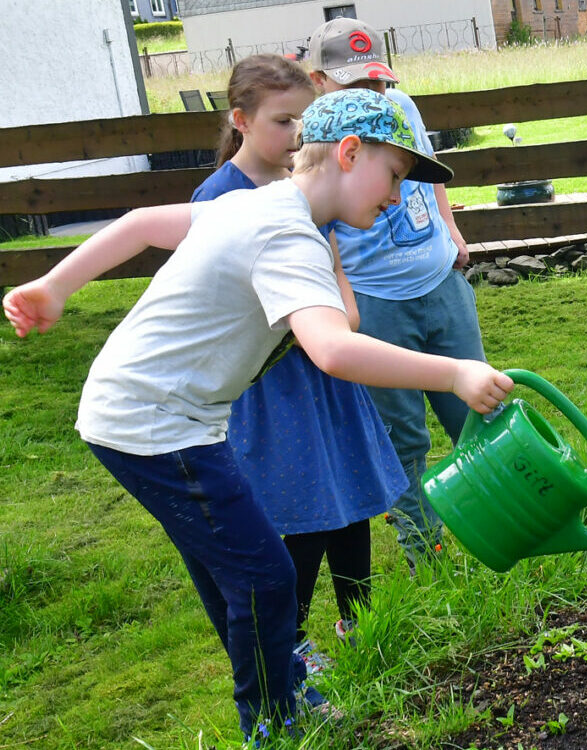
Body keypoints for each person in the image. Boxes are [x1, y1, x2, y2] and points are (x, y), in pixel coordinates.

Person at [2, 88, 514, 742]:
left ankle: (279, 698)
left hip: (156, 417)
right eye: (393, 174)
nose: (396, 196)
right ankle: (272, 724)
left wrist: (54, 286)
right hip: (152, 424)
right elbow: (331, 348)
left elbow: (136, 223)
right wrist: (456, 372)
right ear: (350, 153)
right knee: (265, 577)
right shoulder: (287, 232)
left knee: (238, 577)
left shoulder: (256, 203)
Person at [192, 54, 407, 668]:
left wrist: (343, 312)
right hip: (278, 386)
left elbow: (334, 269)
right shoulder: (218, 197)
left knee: (353, 492)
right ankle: (291, 643)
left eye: (303, 122)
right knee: (306, 506)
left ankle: (361, 622)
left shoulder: (304, 184)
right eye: (283, 123)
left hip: (328, 372)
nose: (296, 137)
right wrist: (322, 327)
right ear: (241, 121)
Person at [305, 18, 486, 568]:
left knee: (477, 416)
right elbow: (318, 220)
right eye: (354, 87)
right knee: (402, 441)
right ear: (318, 80)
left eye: (377, 85)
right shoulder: (318, 137)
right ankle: (426, 556)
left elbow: (429, 173)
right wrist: (344, 294)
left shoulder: (401, 108)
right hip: (377, 301)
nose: (372, 98)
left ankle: (498, 530)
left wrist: (450, 230)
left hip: (438, 281)